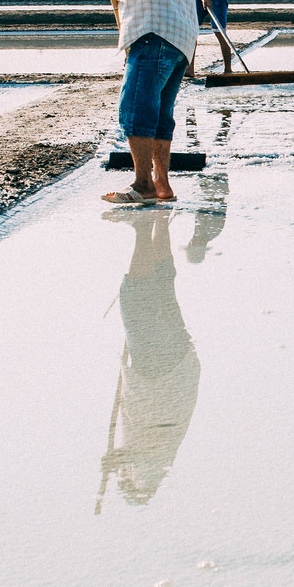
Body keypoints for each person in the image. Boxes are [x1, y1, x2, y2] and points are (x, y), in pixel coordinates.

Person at [96, 0, 197, 203]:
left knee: (137, 107)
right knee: (160, 114)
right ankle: (161, 185)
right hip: (178, 39)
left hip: (154, 35)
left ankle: (143, 184)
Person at [98, 206, 200, 508]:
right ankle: (144, 227)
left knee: (159, 285)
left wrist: (118, 460)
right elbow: (148, 454)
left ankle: (157, 223)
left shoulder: (161, 460)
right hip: (160, 373)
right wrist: (119, 459)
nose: (124, 475)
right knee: (136, 296)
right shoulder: (152, 470)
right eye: (125, 479)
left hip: (177, 362)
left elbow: (144, 451)